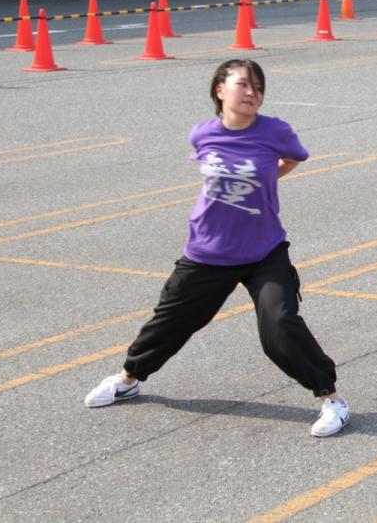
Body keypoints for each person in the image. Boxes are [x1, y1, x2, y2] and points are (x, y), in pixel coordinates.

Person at [84, 59, 352, 437]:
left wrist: (264, 179)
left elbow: (292, 158)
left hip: (264, 250)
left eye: (258, 87)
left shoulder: (275, 131)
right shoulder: (203, 134)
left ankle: (331, 400)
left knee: (279, 325)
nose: (252, 93)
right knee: (170, 322)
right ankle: (128, 379)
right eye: (243, 84)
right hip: (207, 252)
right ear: (219, 90)